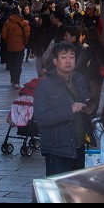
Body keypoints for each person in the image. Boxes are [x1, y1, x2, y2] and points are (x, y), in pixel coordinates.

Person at [33, 42, 92, 177]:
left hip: (79, 146)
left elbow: (83, 103)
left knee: (76, 193)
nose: (68, 61)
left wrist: (88, 110)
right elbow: (41, 117)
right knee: (58, 195)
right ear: (55, 61)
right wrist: (69, 110)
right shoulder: (45, 86)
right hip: (58, 150)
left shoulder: (79, 79)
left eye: (72, 57)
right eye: (63, 57)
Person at [77, 26, 104, 115]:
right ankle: (95, 109)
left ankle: (92, 110)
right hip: (101, 72)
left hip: (92, 72)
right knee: (98, 91)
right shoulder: (102, 43)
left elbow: (87, 59)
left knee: (92, 93)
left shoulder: (88, 45)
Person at [0, 7, 32, 88]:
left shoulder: (7, 23)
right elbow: (27, 34)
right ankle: (17, 81)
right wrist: (24, 42)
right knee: (18, 64)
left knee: (11, 64)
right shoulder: (24, 23)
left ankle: (13, 79)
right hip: (20, 47)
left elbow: (3, 35)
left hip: (10, 47)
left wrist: (9, 41)